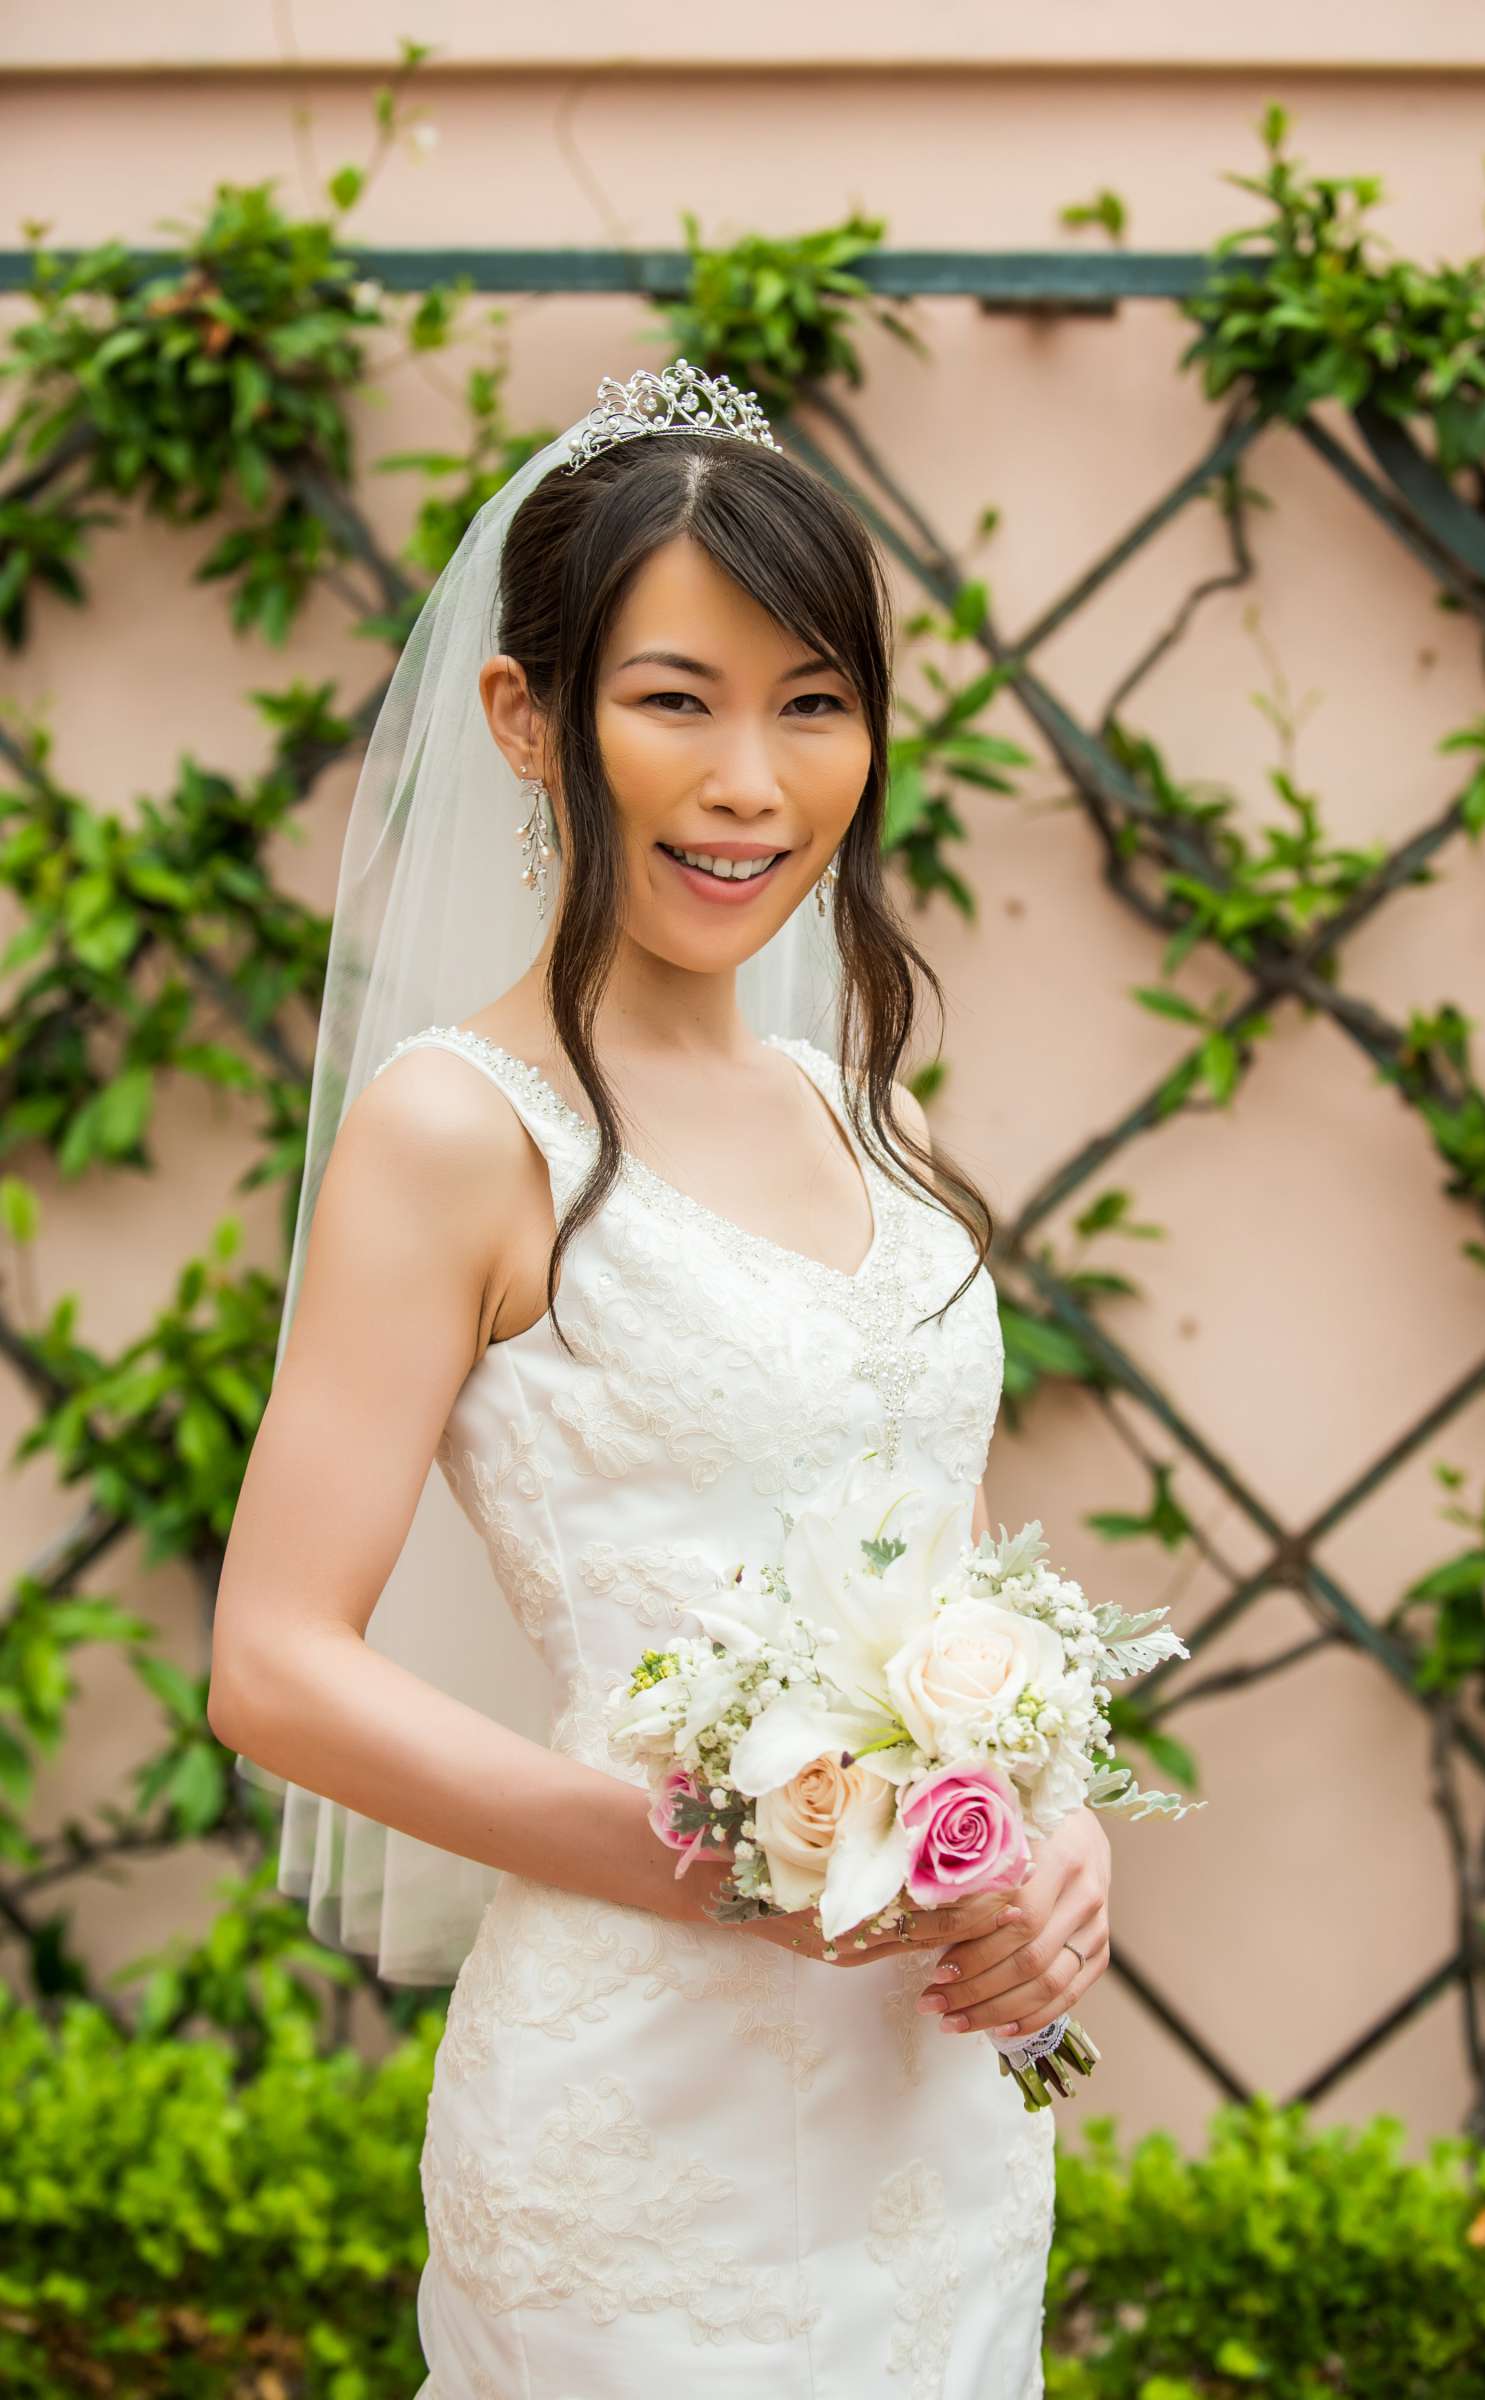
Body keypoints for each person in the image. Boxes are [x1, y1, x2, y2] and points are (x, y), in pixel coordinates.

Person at [209, 362, 1111, 2399]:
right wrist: (725, 1859)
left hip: (933, 2104)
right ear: (527, 721)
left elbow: (947, 1579)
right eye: (673, 700)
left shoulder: (839, 1101)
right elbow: (271, 1662)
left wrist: (1051, 1848)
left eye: (811, 704)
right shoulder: (460, 1131)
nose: (751, 783)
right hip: (640, 2130)